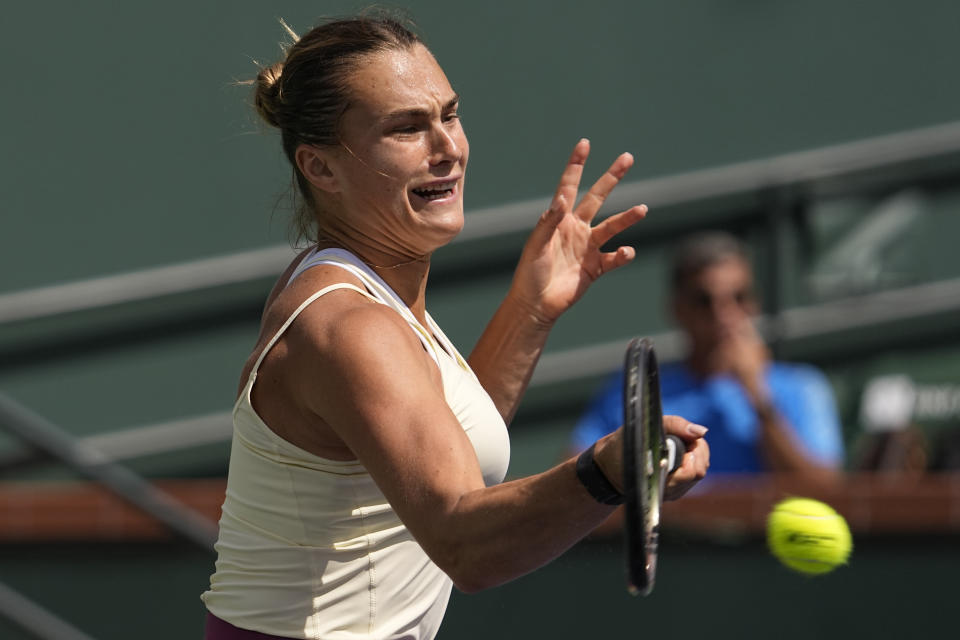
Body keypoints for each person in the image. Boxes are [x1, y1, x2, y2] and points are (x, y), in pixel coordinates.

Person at [200, 14, 709, 640]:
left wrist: (531, 307)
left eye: (450, 114)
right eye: (408, 127)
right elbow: (468, 544)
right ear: (321, 168)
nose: (448, 147)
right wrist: (604, 470)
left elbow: (444, 449)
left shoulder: (366, 292)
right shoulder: (351, 326)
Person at [572, 231, 843, 482]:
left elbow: (824, 490)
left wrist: (758, 397)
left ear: (755, 303)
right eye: (705, 301)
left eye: (739, 297)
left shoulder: (802, 386)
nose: (724, 315)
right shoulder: (635, 390)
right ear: (677, 309)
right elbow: (578, 481)